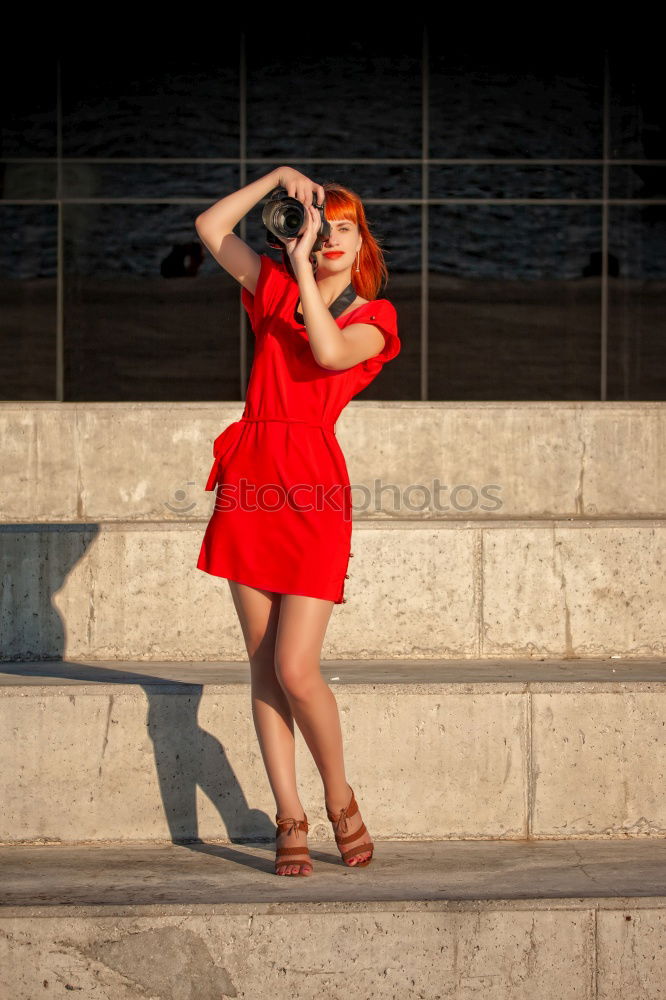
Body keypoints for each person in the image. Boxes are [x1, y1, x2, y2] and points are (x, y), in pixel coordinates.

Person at [195, 166, 401, 876]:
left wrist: (302, 272)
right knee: (261, 665)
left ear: (362, 242)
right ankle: (289, 813)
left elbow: (325, 351)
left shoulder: (375, 318)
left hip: (311, 490)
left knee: (295, 666)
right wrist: (277, 180)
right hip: (251, 475)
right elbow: (210, 230)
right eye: (322, 226)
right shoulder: (275, 287)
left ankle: (339, 797)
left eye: (345, 228)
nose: (331, 237)